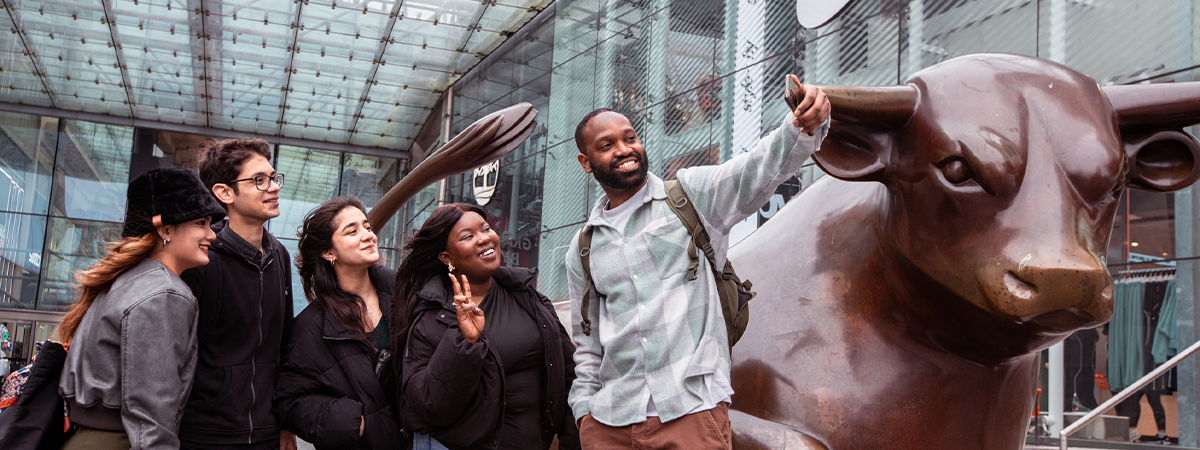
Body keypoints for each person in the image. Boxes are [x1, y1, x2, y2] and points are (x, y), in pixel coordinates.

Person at [565, 82, 831, 449]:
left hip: (691, 414)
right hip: (610, 423)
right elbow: (587, 343)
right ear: (586, 163)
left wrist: (803, 126)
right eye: (607, 145)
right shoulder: (583, 247)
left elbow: (756, 169)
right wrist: (585, 414)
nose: (625, 149)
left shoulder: (690, 197)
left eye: (630, 138)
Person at [58, 167, 225, 449]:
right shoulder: (165, 293)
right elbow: (152, 408)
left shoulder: (126, 280)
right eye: (201, 223)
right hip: (121, 440)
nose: (212, 235)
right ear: (165, 228)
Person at [394, 203, 579, 450]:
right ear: (446, 257)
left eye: (486, 229)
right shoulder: (432, 317)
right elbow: (431, 405)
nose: (484, 239)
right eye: (468, 236)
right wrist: (464, 342)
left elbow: (569, 375)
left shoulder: (529, 298)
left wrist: (572, 441)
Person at [179, 138, 297, 450]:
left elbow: (285, 346)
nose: (273, 187)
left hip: (267, 435)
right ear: (224, 192)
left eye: (273, 177)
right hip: (205, 436)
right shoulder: (203, 259)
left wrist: (285, 425)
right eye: (259, 180)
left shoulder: (280, 256)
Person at [275, 196, 406, 449]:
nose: (368, 235)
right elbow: (288, 401)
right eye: (352, 231)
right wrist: (342, 419)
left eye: (367, 227)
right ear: (328, 252)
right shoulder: (310, 328)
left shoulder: (404, 291)